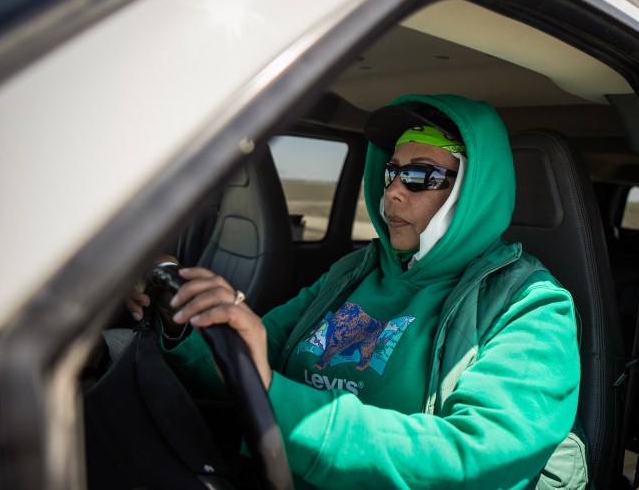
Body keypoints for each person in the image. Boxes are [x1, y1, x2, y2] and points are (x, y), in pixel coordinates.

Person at [129, 94, 588, 489]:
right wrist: (186, 318)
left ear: (473, 191)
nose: (392, 192)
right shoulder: (355, 271)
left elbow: (476, 458)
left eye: (421, 176)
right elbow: (250, 358)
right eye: (393, 172)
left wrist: (287, 408)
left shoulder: (530, 305)